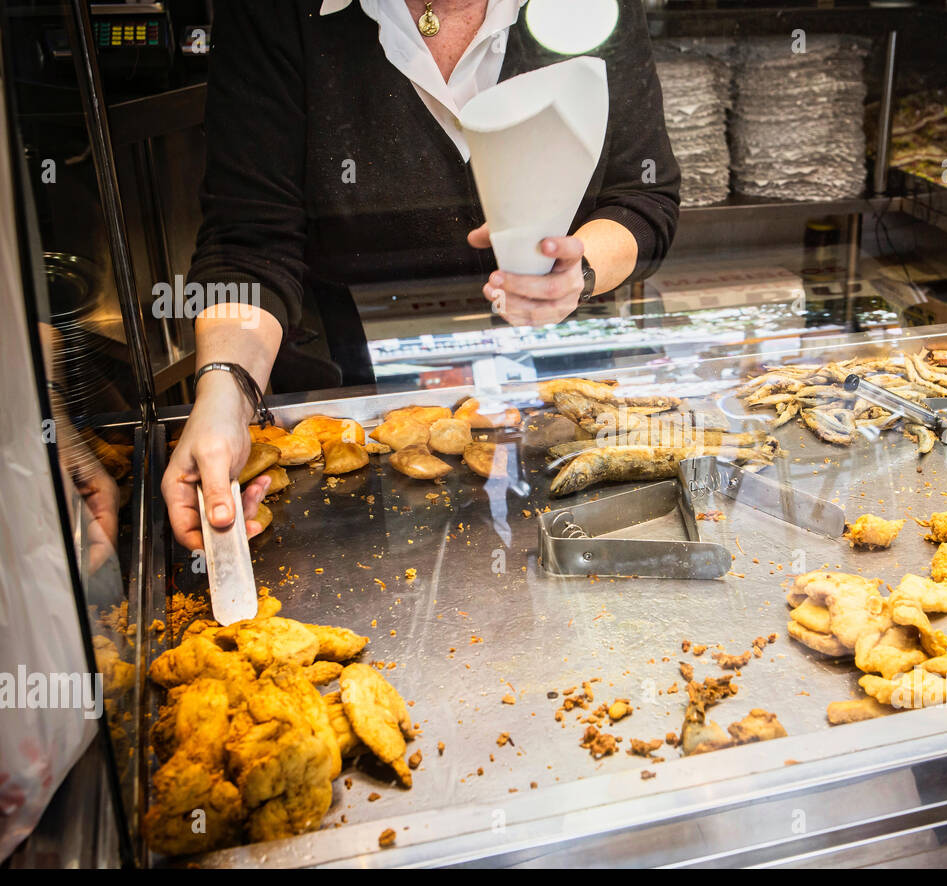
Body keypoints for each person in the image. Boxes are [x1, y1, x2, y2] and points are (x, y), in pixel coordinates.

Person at [162, 0, 680, 552]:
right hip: (350, 395)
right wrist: (223, 396)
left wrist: (581, 266)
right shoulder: (279, 13)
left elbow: (642, 195)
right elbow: (249, 245)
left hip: (557, 398)